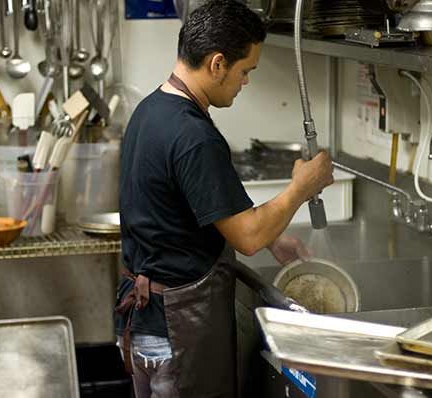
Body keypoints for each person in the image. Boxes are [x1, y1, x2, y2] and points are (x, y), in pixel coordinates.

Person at [114, 0, 334, 397]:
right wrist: (301, 187)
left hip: (147, 325)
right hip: (177, 335)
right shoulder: (193, 136)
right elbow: (247, 237)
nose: (245, 81)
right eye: (245, 70)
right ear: (217, 64)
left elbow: (192, 208)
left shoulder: (152, 110)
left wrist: (274, 236)